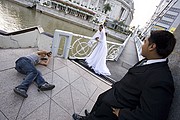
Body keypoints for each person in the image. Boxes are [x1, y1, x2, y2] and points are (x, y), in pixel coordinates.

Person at [72, 30, 176, 120]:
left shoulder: (162, 80)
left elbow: (151, 116)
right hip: (114, 95)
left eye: (144, 42)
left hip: (115, 109)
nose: (142, 45)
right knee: (99, 104)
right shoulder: (150, 60)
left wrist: (122, 114)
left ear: (152, 47)